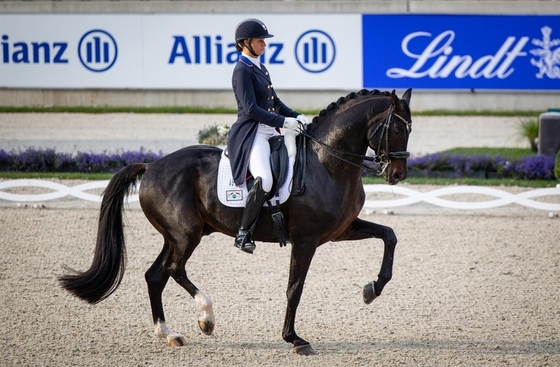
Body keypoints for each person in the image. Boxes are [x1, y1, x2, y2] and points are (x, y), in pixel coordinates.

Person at [227, 18, 309, 254]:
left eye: (264, 40)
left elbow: (275, 103)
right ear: (245, 43)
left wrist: (297, 115)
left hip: (271, 130)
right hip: (253, 134)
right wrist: (284, 122)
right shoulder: (242, 70)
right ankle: (243, 233)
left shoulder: (260, 67)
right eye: (260, 40)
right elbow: (251, 109)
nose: (264, 44)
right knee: (265, 179)